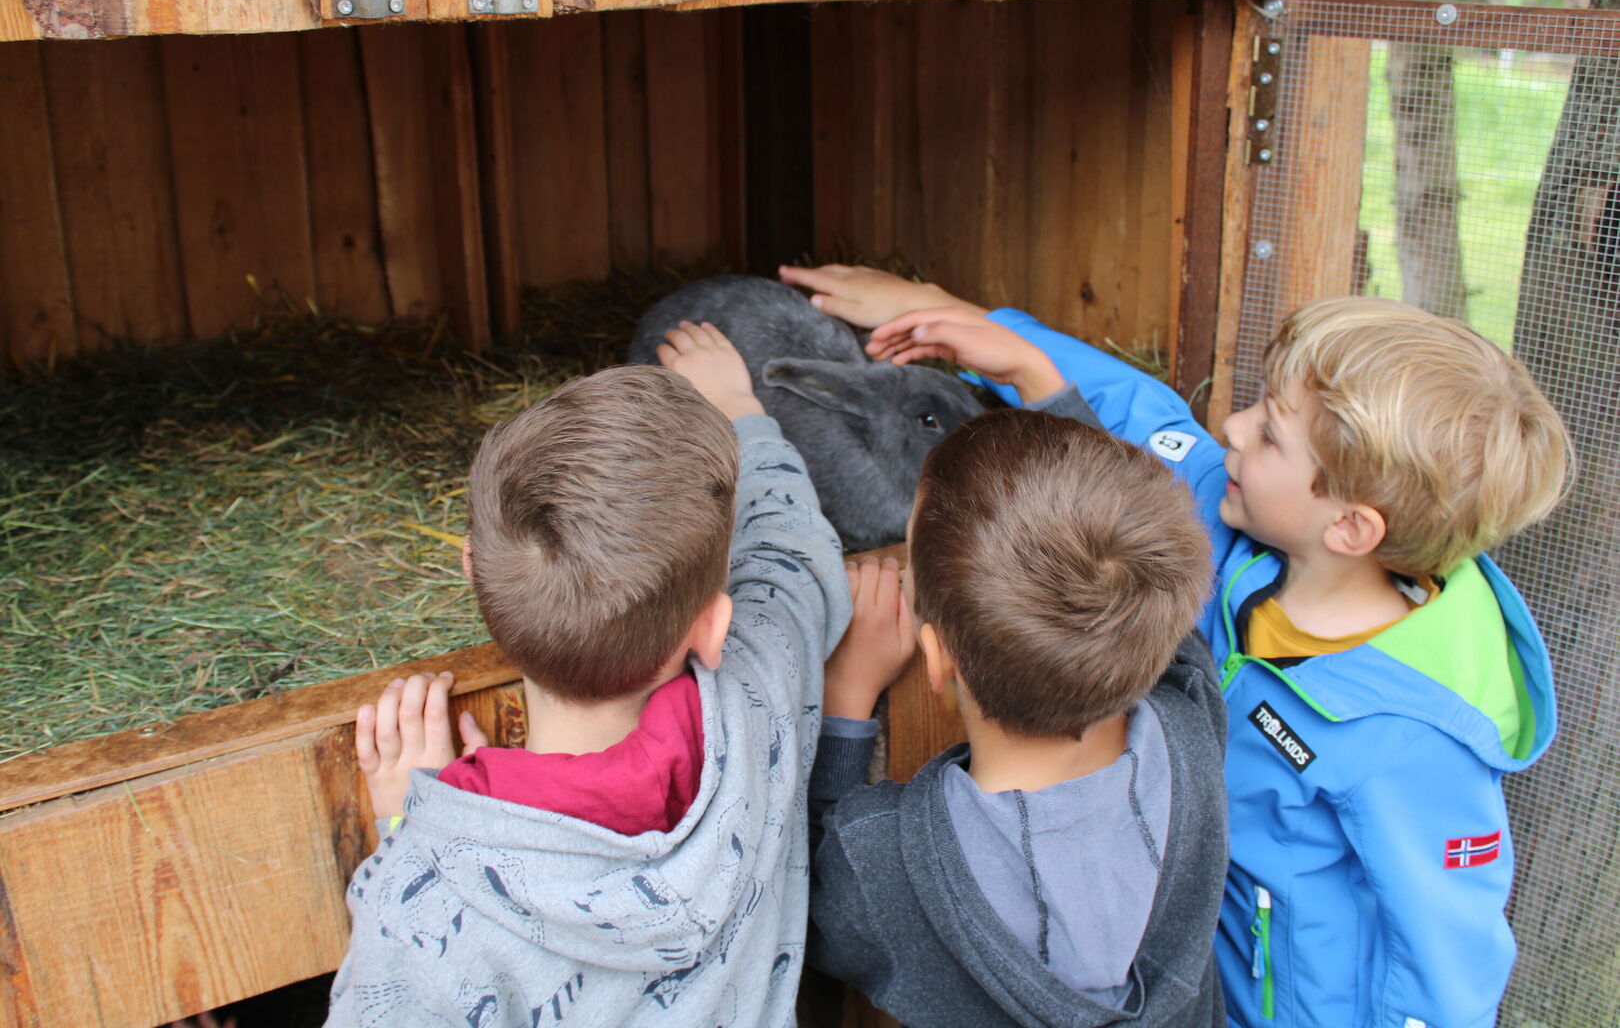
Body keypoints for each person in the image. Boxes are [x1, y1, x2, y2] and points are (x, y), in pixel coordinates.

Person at [783, 263, 1572, 1028]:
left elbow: (1448, 953)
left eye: (1271, 433)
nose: (1231, 427)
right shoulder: (1247, 546)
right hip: (1184, 960)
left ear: (1351, 526)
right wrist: (1010, 349)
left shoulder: (1412, 739)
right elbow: (1145, 419)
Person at [325, 323, 850, 1027]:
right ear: (713, 626)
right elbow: (791, 548)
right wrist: (740, 408)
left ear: (470, 571)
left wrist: (404, 824)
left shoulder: (421, 893)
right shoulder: (763, 684)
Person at [807, 407, 1228, 1027]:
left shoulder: (883, 860)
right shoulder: (1191, 712)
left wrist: (845, 700)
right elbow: (1134, 569)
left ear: (937, 658)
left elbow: (818, 907)